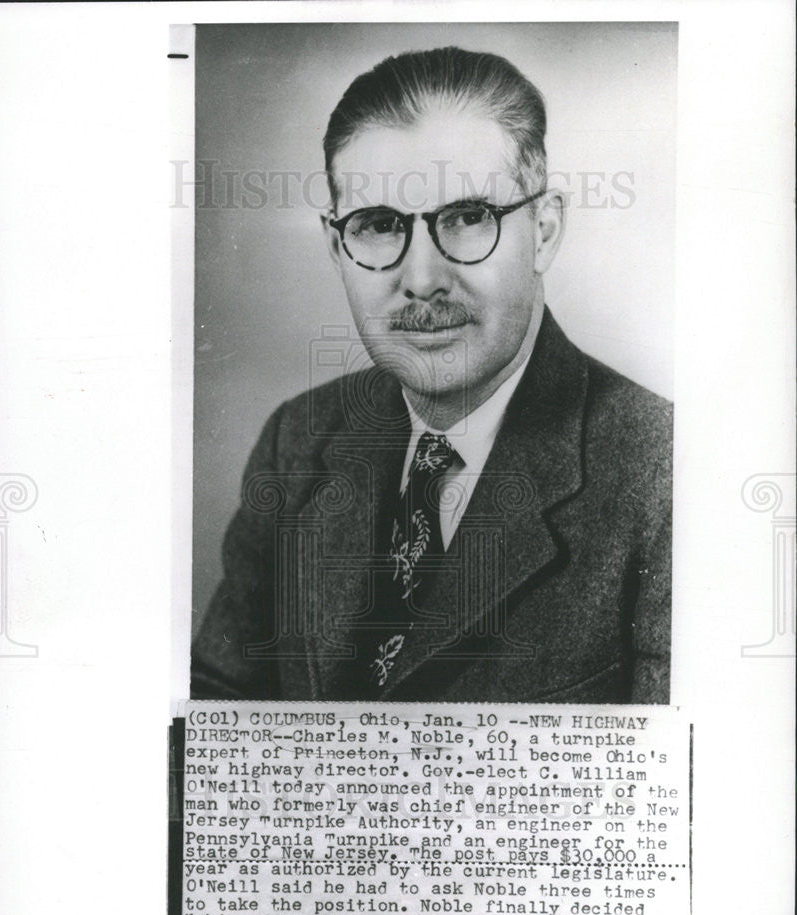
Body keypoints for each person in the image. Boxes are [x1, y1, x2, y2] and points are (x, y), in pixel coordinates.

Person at [191, 46, 672, 704]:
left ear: (547, 230)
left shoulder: (666, 476)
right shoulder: (298, 443)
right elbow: (211, 733)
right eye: (379, 226)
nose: (420, 279)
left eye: (469, 218)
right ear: (338, 248)